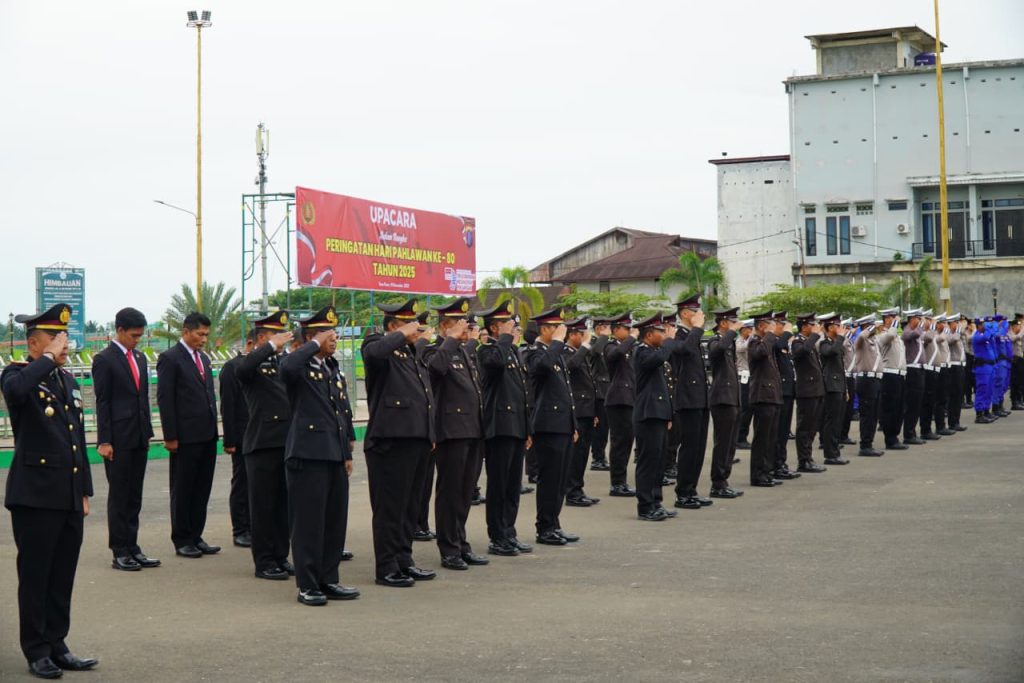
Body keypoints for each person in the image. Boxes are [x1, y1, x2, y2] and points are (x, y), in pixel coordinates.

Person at [2, 304, 98, 679]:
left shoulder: (68, 382)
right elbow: (16, 392)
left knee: (62, 576)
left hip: (68, 495)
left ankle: (58, 644)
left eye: (65, 337)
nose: (65, 344)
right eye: (55, 338)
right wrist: (46, 359)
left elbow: (76, 441)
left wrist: (85, 491)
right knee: (37, 576)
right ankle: (36, 649)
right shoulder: (17, 374)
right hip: (35, 497)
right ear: (33, 343)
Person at [280, 306, 359, 606]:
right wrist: (312, 344)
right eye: (328, 334)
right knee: (308, 523)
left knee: (333, 521)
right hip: (308, 454)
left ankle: (329, 578)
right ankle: (308, 584)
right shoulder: (299, 367)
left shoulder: (332, 368)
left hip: (333, 454)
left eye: (335, 334)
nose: (335, 339)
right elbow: (286, 367)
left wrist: (347, 449)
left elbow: (341, 411)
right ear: (312, 337)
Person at [361, 298, 437, 587]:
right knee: (390, 507)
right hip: (390, 441)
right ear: (393, 326)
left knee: (409, 506)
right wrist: (402, 334)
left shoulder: (409, 354)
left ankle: (404, 560)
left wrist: (429, 433)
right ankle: (387, 566)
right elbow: (376, 353)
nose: (417, 329)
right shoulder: (376, 345)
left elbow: (425, 399)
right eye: (410, 323)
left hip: (416, 439)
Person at [422, 298, 489, 571]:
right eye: (459, 323)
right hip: (451, 431)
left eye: (466, 324)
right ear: (444, 325)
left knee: (464, 492)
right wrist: (450, 339)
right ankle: (449, 548)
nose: (465, 329)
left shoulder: (462, 351)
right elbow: (435, 370)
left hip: (472, 429)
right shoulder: (433, 350)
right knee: (450, 492)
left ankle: (461, 543)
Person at [92, 306, 160, 572]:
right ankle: (119, 550)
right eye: (133, 335)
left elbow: (141, 397)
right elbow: (103, 402)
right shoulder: (105, 360)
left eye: (140, 336)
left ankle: (133, 547)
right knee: (119, 496)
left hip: (139, 435)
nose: (137, 340)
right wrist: (105, 440)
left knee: (134, 495)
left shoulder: (140, 358)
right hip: (118, 439)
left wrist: (148, 431)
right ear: (119, 330)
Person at [236, 311, 296, 581]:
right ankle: (264, 561)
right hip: (262, 444)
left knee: (283, 507)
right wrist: (271, 346)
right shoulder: (252, 365)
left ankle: (280, 556)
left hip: (287, 441)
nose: (281, 339)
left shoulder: (283, 364)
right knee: (263, 507)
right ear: (262, 338)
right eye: (275, 334)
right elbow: (245, 368)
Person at [157, 312, 220, 558]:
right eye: (199, 334)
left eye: (206, 334)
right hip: (185, 436)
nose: (203, 339)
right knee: (183, 488)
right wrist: (170, 435)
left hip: (206, 434)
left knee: (202, 488)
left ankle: (196, 534)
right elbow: (165, 398)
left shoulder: (203, 358)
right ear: (186, 331)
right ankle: (182, 538)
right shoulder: (170, 359)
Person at [477, 301, 533, 557]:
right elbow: (495, 363)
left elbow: (522, 394)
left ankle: (509, 532)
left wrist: (527, 429)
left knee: (512, 485)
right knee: (498, 485)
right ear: (493, 329)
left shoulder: (513, 352)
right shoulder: (487, 351)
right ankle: (497, 536)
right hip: (499, 427)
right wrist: (506, 338)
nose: (513, 329)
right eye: (506, 325)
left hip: (517, 427)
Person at [525, 307, 580, 546]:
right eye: (557, 328)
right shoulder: (534, 352)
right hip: (548, 425)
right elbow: (541, 368)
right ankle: (544, 528)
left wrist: (573, 424)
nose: (563, 333)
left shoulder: (553, 352)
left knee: (560, 479)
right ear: (545, 329)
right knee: (549, 479)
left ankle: (554, 524)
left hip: (563, 424)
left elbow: (566, 391)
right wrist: (557, 342)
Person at [631, 313, 677, 521]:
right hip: (648, 413)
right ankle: (645, 505)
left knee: (659, 460)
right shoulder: (641, 351)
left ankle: (656, 501)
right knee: (648, 461)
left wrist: (667, 413)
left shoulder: (654, 351)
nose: (664, 334)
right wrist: (669, 342)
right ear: (649, 335)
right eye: (661, 332)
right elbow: (658, 359)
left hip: (659, 412)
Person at [668, 294, 713, 509]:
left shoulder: (692, 335)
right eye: (695, 312)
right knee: (689, 447)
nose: (699, 316)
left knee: (699, 447)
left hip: (700, 398)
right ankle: (683, 493)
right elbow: (684, 351)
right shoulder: (679, 335)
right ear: (685, 314)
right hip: (686, 399)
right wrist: (697, 328)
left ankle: (692, 489)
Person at [562, 316, 601, 507]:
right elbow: (570, 367)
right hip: (576, 409)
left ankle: (578, 488)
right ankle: (572, 492)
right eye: (581, 334)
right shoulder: (565, 352)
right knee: (576, 454)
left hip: (586, 410)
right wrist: (585, 347)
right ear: (572, 335)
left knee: (583, 453)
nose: (585, 337)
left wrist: (593, 412)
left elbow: (589, 383)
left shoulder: (578, 352)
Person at [219, 332, 254, 548]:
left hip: (263, 435)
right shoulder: (233, 368)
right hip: (243, 435)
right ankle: (240, 529)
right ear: (251, 342)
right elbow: (228, 406)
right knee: (242, 483)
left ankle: (255, 526)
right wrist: (230, 439)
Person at [706, 308, 744, 498]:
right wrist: (732, 332)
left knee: (730, 443)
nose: (737, 325)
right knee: (722, 443)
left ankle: (724, 480)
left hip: (732, 397)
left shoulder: (728, 343)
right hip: (722, 398)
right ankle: (718, 483)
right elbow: (718, 350)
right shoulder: (715, 341)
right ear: (723, 323)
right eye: (732, 321)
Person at [747, 311, 784, 487]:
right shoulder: (754, 342)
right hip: (762, 396)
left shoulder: (768, 343)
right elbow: (760, 353)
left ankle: (767, 472)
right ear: (761, 326)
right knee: (762, 438)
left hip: (772, 395)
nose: (774, 328)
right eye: (770, 325)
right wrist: (769, 334)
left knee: (771, 438)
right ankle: (758, 474)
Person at [603, 312, 638, 497]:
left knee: (626, 441)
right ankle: (616, 483)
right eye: (626, 329)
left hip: (629, 398)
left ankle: (621, 481)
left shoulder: (630, 348)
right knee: (619, 442)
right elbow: (615, 354)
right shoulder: (611, 346)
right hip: (618, 399)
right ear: (616, 330)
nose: (630, 331)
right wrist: (632, 338)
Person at [790, 313, 828, 472]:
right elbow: (801, 352)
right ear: (805, 327)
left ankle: (808, 457)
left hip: (816, 390)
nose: (816, 328)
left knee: (813, 426)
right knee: (805, 427)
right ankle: (803, 460)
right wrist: (814, 336)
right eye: (812, 325)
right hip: (806, 391)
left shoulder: (809, 342)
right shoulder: (798, 342)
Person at [818, 314, 851, 466]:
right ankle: (830, 454)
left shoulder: (835, 343)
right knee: (831, 421)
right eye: (837, 326)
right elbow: (830, 352)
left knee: (837, 421)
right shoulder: (824, 343)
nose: (841, 329)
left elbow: (841, 368)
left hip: (839, 386)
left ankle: (835, 451)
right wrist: (840, 338)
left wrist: (846, 389)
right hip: (830, 386)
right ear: (830, 328)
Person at [771, 311, 800, 480]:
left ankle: (781, 464)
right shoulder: (774, 342)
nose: (785, 327)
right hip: (780, 391)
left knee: (783, 432)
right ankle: (776, 465)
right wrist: (788, 333)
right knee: (778, 431)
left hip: (788, 391)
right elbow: (776, 347)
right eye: (782, 324)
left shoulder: (781, 343)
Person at [875, 307, 908, 451]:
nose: (895, 320)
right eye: (892, 317)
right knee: (890, 408)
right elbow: (889, 336)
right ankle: (890, 439)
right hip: (889, 374)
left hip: (899, 375)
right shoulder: (882, 335)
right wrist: (894, 325)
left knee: (899, 408)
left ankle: (895, 436)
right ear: (887, 319)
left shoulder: (897, 337)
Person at [853, 315, 884, 457]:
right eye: (871, 325)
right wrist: (869, 328)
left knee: (874, 414)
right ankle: (865, 445)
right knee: (867, 414)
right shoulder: (862, 341)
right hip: (865, 380)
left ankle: (869, 443)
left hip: (875, 380)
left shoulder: (874, 341)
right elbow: (860, 337)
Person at [588, 319, 612, 471]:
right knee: (599, 428)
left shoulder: (605, 343)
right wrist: (603, 336)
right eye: (605, 328)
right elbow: (595, 352)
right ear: (597, 329)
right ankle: (597, 457)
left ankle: (601, 456)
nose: (608, 331)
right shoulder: (592, 341)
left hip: (606, 388)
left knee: (605, 428)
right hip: (598, 389)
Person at [901, 309, 927, 445]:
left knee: (917, 403)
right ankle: (908, 434)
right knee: (912, 403)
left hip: (919, 370)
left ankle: (912, 432)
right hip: (912, 371)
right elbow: (909, 336)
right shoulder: (908, 331)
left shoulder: (917, 332)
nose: (920, 321)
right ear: (912, 319)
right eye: (918, 318)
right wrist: (921, 326)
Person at [946, 315, 969, 431]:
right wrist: (959, 331)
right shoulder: (948, 334)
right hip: (953, 366)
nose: (958, 325)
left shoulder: (958, 334)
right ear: (950, 324)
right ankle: (952, 422)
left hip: (961, 366)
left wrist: (961, 331)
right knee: (954, 395)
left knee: (959, 395)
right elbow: (951, 340)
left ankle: (956, 420)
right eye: (955, 322)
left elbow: (964, 341)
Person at [735, 320, 754, 450]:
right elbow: (743, 348)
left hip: (751, 376)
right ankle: (740, 438)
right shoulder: (739, 341)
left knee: (750, 408)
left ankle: (743, 437)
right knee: (745, 408)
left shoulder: (750, 340)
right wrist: (752, 337)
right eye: (748, 329)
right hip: (743, 377)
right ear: (742, 330)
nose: (751, 331)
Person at [1010, 316, 1024, 410]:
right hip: (1014, 360)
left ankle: (1019, 400)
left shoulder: (1019, 334)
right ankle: (1015, 402)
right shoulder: (1010, 334)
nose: (1019, 328)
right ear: (1013, 326)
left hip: (1020, 359)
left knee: (1020, 381)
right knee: (1015, 382)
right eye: (1018, 326)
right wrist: (1023, 329)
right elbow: (1015, 338)